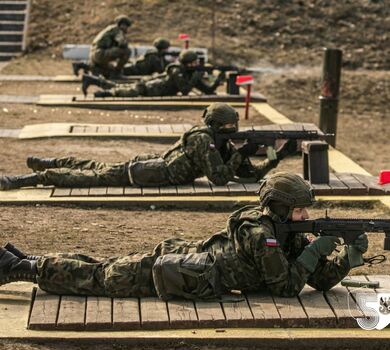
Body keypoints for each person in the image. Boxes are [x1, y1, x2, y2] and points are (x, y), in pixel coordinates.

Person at [0, 172, 368, 299]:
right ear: (280, 206)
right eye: (301, 210)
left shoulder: (284, 230)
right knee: (103, 277)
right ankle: (21, 269)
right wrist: (316, 249)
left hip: (192, 263)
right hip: (186, 270)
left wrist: (346, 259)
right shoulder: (262, 234)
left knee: (106, 267)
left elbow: (313, 279)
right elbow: (286, 287)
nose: (307, 216)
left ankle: (24, 261)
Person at [0, 103, 295, 190]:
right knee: (92, 177)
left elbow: (249, 175)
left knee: (96, 167)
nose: (235, 131)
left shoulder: (221, 144)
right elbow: (219, 178)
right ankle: (30, 179)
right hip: (150, 173)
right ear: (217, 125)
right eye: (230, 127)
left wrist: (276, 155)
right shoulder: (203, 139)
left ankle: (49, 162)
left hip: (153, 166)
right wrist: (241, 152)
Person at [81, 49, 225, 97]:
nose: (197, 65)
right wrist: (196, 76)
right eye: (194, 63)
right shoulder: (176, 70)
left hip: (152, 87)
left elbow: (206, 91)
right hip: (150, 88)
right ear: (187, 63)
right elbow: (185, 90)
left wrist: (217, 81)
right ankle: (102, 93)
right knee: (125, 91)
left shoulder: (189, 73)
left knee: (121, 87)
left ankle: (92, 80)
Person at [80, 15, 132, 79]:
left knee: (110, 71)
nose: (127, 29)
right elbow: (122, 44)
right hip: (100, 54)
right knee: (127, 51)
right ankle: (117, 73)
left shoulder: (110, 29)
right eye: (126, 26)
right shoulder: (117, 30)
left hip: (95, 54)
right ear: (122, 25)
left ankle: (86, 66)